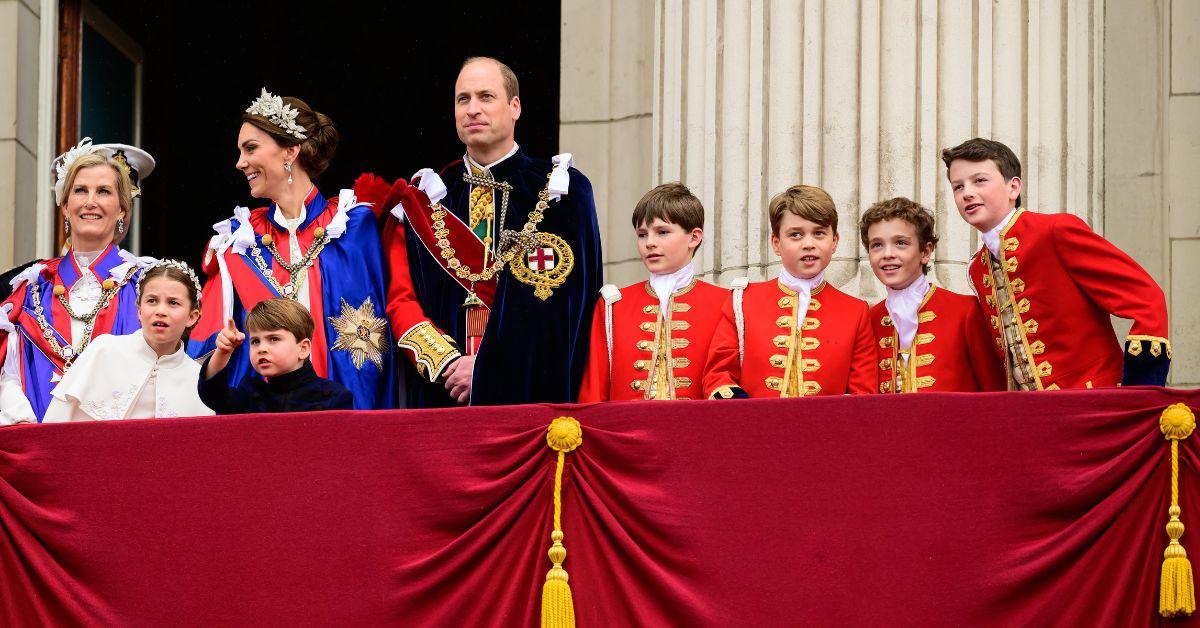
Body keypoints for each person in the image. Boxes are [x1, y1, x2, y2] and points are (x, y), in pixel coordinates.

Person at [368, 57, 602, 407]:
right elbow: (402, 300)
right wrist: (449, 364)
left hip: (530, 395)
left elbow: (567, 308)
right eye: (463, 99)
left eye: (486, 96)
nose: (473, 109)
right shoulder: (425, 198)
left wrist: (490, 368)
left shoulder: (562, 192)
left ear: (515, 107)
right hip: (444, 395)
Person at [189, 89, 395, 410]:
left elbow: (387, 325)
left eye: (251, 148)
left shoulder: (355, 226)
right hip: (265, 418)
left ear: (290, 151)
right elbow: (205, 345)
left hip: (347, 411)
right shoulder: (239, 241)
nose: (240, 162)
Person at [943, 137, 1171, 389]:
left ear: (1013, 188)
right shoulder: (978, 268)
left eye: (980, 180)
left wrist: (1139, 391)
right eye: (958, 187)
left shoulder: (1056, 230)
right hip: (1035, 416)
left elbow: (1147, 299)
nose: (968, 193)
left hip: (1094, 402)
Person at [0, 138, 156, 421]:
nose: (90, 202)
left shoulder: (146, 286)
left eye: (104, 192)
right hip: (40, 447)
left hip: (121, 449)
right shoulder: (29, 289)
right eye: (80, 190)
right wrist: (23, 422)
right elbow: (7, 375)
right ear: (65, 206)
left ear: (122, 208)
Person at [703, 185, 876, 398]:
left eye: (819, 233)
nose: (808, 244)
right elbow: (718, 376)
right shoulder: (742, 302)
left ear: (835, 242)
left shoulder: (855, 312)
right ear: (776, 244)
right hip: (755, 429)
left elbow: (863, 395)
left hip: (827, 431)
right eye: (796, 235)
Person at [577, 183, 726, 401]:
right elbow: (594, 394)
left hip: (699, 433)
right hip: (627, 433)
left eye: (662, 232)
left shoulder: (725, 304)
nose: (650, 243)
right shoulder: (613, 306)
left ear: (694, 237)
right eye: (642, 234)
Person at [859, 197, 1005, 393]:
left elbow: (994, 392)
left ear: (925, 252)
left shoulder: (966, 311)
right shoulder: (869, 319)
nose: (887, 254)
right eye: (877, 245)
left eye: (900, 243)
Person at [42, 260, 213, 421]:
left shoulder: (197, 379)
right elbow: (54, 425)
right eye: (152, 301)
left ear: (192, 316)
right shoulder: (104, 350)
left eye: (173, 303)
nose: (161, 311)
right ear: (139, 310)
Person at [199, 298, 354, 413]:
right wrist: (223, 352)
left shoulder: (333, 397)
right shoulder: (250, 395)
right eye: (255, 341)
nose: (261, 348)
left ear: (303, 348)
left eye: (273, 339)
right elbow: (214, 396)